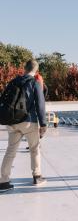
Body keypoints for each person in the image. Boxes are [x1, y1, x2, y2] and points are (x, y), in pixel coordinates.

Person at [0, 60, 48, 192]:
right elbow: (40, 105)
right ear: (36, 70)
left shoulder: (14, 81)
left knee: (10, 151)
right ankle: (37, 176)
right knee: (34, 148)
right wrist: (43, 124)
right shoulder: (35, 83)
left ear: (24, 68)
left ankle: (3, 181)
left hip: (11, 121)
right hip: (28, 121)